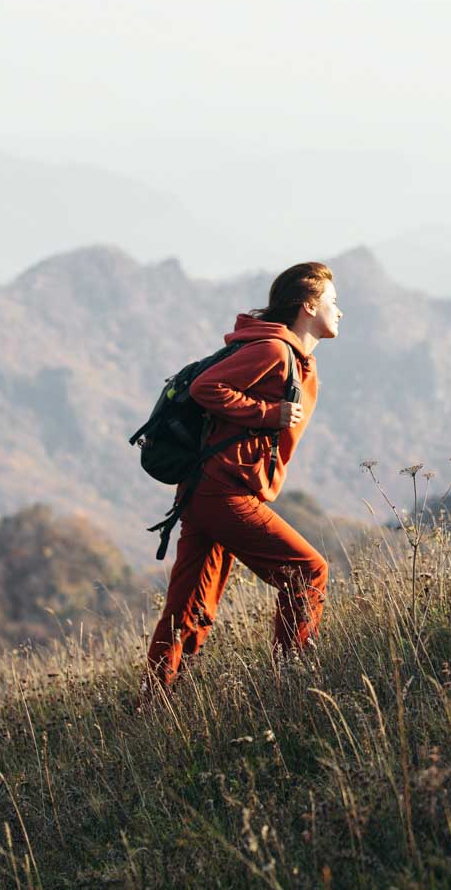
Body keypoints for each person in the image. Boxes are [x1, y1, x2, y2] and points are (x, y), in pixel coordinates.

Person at [141, 262, 342, 701]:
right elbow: (207, 388)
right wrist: (268, 414)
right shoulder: (273, 350)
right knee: (307, 573)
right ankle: (292, 686)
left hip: (206, 490)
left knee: (189, 608)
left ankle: (154, 705)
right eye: (332, 301)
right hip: (220, 491)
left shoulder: (293, 357)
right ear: (308, 306)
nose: (339, 311)